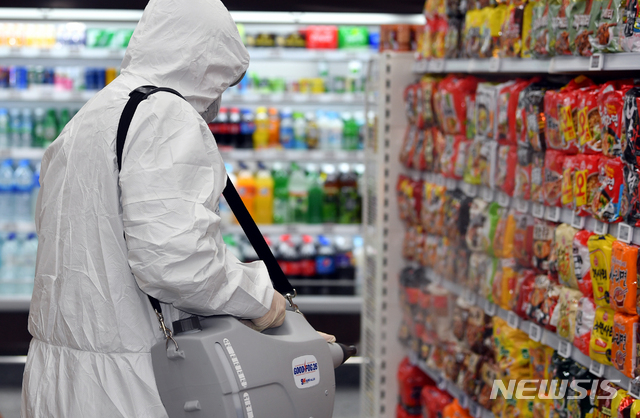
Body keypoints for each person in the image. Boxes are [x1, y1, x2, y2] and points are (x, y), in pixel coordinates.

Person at [21, 0, 287, 416]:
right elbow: (177, 263)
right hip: (130, 383)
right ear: (205, 57)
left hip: (57, 374)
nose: (218, 95)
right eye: (221, 79)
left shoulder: (89, 116)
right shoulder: (163, 114)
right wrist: (259, 296)